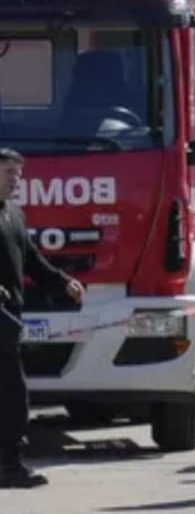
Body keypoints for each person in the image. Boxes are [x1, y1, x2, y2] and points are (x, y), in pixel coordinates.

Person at [0, 148, 84, 489]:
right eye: (8, 173)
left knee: (12, 397)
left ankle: (8, 465)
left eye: (18, 175)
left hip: (8, 320)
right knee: (12, 395)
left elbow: (32, 260)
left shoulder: (15, 215)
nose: (15, 180)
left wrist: (64, 282)